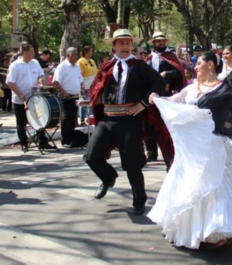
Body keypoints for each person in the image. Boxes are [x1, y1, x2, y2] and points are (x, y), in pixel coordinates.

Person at [148, 50, 232, 249]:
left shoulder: (223, 89)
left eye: (199, 64)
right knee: (189, 185)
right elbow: (175, 101)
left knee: (213, 187)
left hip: (211, 145)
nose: (195, 68)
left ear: (210, 65)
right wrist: (159, 99)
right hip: (190, 148)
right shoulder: (191, 89)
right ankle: (191, 229)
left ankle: (215, 230)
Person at [85, 29, 165, 215]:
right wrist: (95, 99)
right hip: (107, 120)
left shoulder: (139, 65)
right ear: (113, 46)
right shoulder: (106, 66)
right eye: (120, 43)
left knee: (132, 164)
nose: (125, 46)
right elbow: (96, 88)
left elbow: (158, 83)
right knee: (91, 156)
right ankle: (108, 177)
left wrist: (143, 104)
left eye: (128, 43)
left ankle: (139, 200)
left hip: (130, 121)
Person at [144, 31, 183, 164]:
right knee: (149, 124)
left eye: (163, 41)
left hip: (165, 95)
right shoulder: (148, 58)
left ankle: (170, 151)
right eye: (158, 41)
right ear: (154, 43)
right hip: (149, 95)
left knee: (166, 124)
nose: (161, 43)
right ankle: (151, 153)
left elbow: (179, 73)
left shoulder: (170, 56)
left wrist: (167, 73)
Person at [6, 43, 49, 152]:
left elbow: (40, 74)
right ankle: (23, 143)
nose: (33, 54)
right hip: (20, 99)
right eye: (31, 52)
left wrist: (40, 81)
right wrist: (20, 94)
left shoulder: (35, 63)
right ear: (24, 53)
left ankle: (42, 141)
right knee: (21, 122)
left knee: (39, 119)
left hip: (34, 97)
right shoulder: (15, 65)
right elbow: (10, 82)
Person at [53, 48, 86, 148]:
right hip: (66, 97)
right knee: (66, 118)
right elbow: (56, 82)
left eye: (77, 54)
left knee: (72, 118)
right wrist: (64, 93)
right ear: (68, 55)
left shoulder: (76, 66)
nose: (76, 56)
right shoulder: (62, 67)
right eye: (74, 54)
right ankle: (65, 139)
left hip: (75, 96)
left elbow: (80, 80)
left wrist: (82, 89)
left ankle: (72, 138)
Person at [77, 46, 98, 125]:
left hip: (93, 84)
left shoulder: (92, 61)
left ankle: (90, 118)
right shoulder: (81, 61)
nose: (91, 52)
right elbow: (79, 73)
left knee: (91, 101)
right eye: (90, 51)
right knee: (83, 101)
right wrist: (81, 83)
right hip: (84, 84)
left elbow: (96, 72)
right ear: (86, 52)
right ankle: (82, 119)